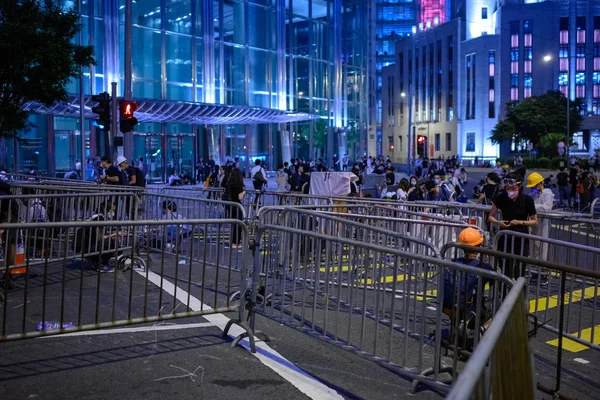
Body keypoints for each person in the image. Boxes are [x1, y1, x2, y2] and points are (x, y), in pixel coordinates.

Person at [488, 173, 538, 279]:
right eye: (508, 187)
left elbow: (534, 221)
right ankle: (505, 291)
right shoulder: (501, 197)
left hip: (521, 238)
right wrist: (498, 222)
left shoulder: (527, 199)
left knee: (520, 269)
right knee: (506, 268)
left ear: (519, 186)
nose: (510, 190)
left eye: (513, 187)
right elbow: (491, 216)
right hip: (505, 236)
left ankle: (519, 292)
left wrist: (520, 222)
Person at [526, 172, 554, 285]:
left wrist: (533, 207)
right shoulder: (532, 194)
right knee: (533, 246)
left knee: (542, 247)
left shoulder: (547, 193)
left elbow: (547, 208)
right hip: (534, 222)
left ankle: (542, 273)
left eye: (534, 186)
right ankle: (534, 271)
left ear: (540, 184)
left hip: (543, 223)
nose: (533, 188)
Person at [226, 168, 246, 248]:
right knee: (238, 225)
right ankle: (235, 242)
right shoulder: (239, 185)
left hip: (231, 205)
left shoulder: (229, 183)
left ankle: (233, 242)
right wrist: (244, 192)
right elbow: (239, 197)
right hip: (237, 206)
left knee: (234, 225)